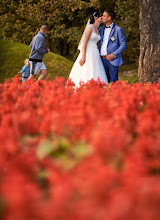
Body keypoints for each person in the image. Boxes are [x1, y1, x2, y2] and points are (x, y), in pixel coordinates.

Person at [69, 12, 108, 87]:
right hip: (88, 51)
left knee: (96, 69)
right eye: (100, 16)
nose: (102, 17)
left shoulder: (98, 30)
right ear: (95, 18)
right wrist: (83, 56)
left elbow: (97, 44)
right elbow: (84, 42)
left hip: (95, 52)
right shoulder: (90, 27)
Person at [99, 9, 127, 83]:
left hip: (112, 60)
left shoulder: (118, 29)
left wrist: (114, 55)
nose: (102, 17)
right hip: (101, 60)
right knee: (103, 83)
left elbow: (123, 45)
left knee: (114, 83)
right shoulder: (100, 29)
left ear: (109, 18)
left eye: (104, 16)